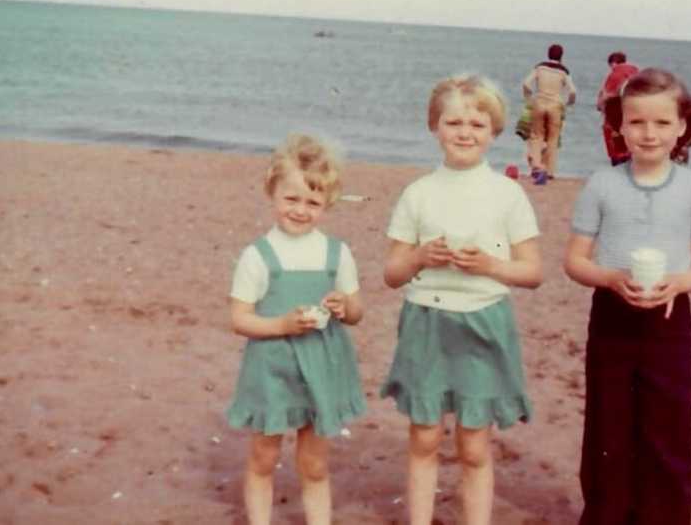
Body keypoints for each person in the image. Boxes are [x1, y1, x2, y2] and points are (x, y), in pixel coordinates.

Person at [564, 68, 691, 525]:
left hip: (671, 319)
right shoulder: (601, 184)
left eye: (660, 122)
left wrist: (680, 282)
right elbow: (574, 261)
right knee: (607, 426)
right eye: (636, 122)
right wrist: (610, 279)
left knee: (667, 428)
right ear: (619, 126)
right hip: (611, 315)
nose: (648, 133)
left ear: (682, 127)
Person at [380, 74, 543, 524]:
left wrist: (489, 266)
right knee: (425, 438)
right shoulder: (418, 193)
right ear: (435, 126)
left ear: (494, 131)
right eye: (454, 122)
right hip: (427, 320)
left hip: (484, 320)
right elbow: (392, 274)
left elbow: (532, 271)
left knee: (474, 445)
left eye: (477, 123)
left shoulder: (507, 193)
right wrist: (418, 256)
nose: (465, 132)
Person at [226, 134, 366, 525]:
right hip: (272, 366)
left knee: (314, 463)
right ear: (272, 192)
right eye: (291, 199)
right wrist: (282, 324)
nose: (301, 210)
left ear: (328, 204)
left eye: (313, 202)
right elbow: (239, 319)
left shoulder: (336, 253)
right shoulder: (258, 256)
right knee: (263, 457)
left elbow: (356, 312)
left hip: (321, 365)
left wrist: (344, 304)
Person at [522, 43, 577, 182]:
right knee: (553, 139)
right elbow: (573, 91)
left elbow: (526, 83)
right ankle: (549, 171)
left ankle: (536, 167)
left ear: (548, 54)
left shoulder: (540, 67)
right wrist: (568, 103)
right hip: (555, 105)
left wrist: (529, 98)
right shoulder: (564, 71)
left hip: (539, 102)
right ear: (561, 56)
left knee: (536, 136)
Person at [596, 51, 639, 166]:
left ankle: (617, 170)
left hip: (615, 115)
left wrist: (600, 105)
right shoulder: (636, 73)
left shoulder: (615, 74)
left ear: (613, 63)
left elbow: (605, 96)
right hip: (634, 115)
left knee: (614, 147)